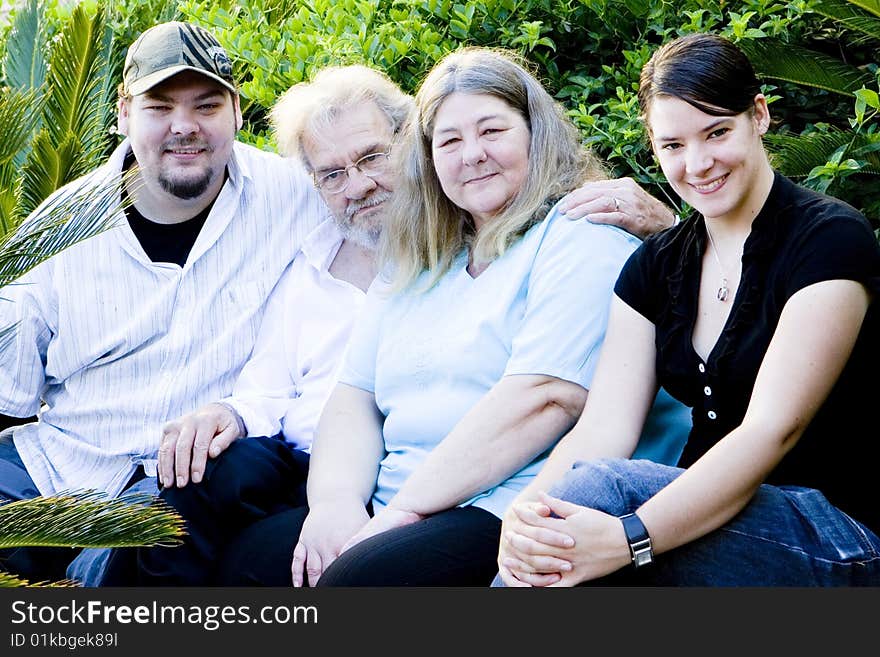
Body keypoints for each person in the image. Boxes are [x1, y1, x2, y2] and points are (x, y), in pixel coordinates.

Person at [104, 60, 689, 586]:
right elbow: (353, 397)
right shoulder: (421, 257)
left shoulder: (580, 232)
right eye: (451, 140)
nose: (471, 154)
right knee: (249, 566)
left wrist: (399, 515)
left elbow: (544, 399)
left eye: (492, 131)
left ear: (536, 132)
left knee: (355, 583)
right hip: (389, 494)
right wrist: (335, 507)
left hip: (502, 503)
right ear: (429, 155)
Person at [496, 32, 880, 587]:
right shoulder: (654, 268)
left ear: (760, 116)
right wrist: (524, 515)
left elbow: (770, 430)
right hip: (703, 521)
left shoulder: (829, 239)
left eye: (717, 132)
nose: (697, 164)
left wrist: (632, 538)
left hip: (841, 536)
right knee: (552, 521)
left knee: (601, 495)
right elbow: (602, 430)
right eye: (673, 145)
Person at [0, 21, 327, 584]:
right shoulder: (59, 229)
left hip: (191, 481)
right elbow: (10, 389)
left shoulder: (300, 197)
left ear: (237, 111)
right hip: (59, 465)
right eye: (159, 107)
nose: (185, 127)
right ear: (124, 113)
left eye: (206, 105)